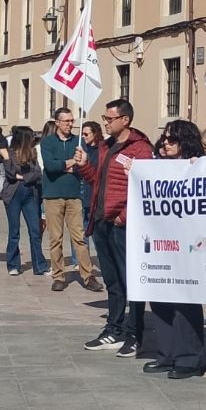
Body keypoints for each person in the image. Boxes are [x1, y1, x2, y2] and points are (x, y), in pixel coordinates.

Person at [75, 98, 154, 355]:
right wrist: (85, 166)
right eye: (105, 118)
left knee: (130, 280)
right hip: (101, 221)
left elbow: (145, 186)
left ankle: (134, 332)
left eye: (109, 118)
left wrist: (124, 216)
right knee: (112, 280)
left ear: (125, 120)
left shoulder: (139, 148)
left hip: (122, 224)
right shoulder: (105, 147)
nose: (105, 122)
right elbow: (98, 181)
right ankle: (114, 328)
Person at [141, 121, 206, 380]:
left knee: (185, 301)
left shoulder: (199, 166)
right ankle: (166, 353)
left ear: (186, 142)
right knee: (159, 298)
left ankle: (189, 358)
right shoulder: (156, 167)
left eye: (172, 140)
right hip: (159, 241)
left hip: (189, 244)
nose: (165, 144)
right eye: (164, 139)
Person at [40, 108, 101, 292]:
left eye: (71, 120)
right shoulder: (47, 142)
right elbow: (50, 167)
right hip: (52, 195)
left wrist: (72, 164)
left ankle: (87, 275)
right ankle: (58, 276)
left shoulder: (79, 142)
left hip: (74, 195)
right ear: (57, 122)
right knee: (55, 239)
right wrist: (71, 162)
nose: (69, 124)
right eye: (65, 121)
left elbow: (85, 165)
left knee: (79, 238)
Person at [2, 126, 50, 277]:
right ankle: (13, 265)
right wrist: (7, 160)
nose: (33, 139)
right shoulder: (8, 153)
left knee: (35, 231)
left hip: (30, 194)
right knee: (14, 231)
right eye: (31, 137)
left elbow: (37, 174)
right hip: (13, 195)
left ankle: (39, 266)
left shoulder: (32, 153)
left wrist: (21, 177)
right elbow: (10, 174)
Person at [80, 121, 103, 260]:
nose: (83, 136)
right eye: (82, 134)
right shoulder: (82, 148)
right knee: (81, 231)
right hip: (83, 194)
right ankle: (82, 261)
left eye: (86, 134)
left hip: (96, 196)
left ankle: (102, 258)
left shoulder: (102, 150)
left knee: (97, 233)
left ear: (95, 133)